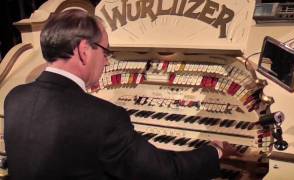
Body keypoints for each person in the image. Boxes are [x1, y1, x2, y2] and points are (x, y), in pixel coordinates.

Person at [4, 9, 238, 180]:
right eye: (106, 52)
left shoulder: (15, 98)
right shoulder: (102, 117)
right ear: (84, 51)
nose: (107, 62)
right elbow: (163, 172)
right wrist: (214, 151)